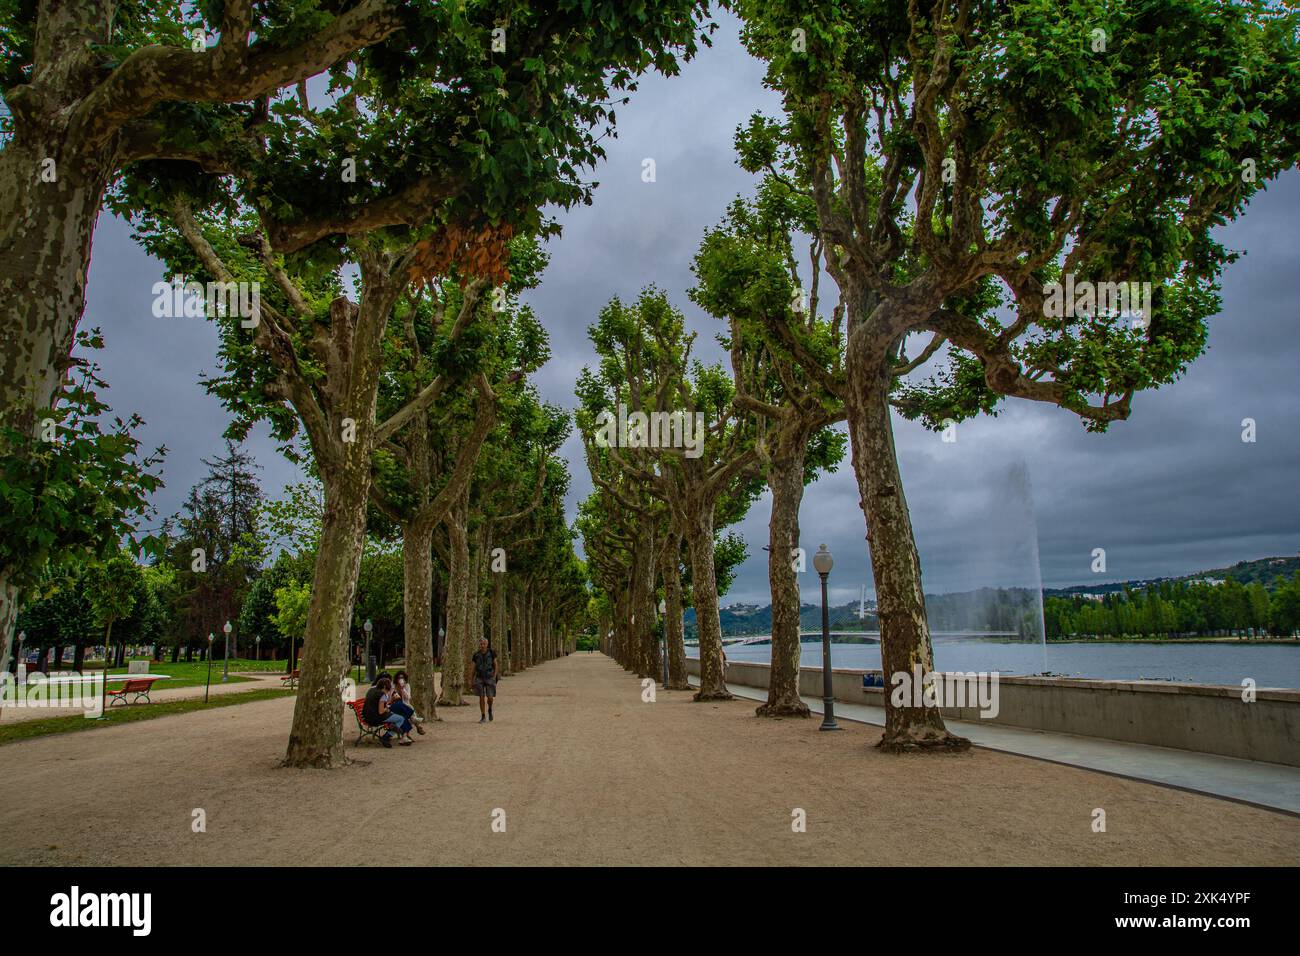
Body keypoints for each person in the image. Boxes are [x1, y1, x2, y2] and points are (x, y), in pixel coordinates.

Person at [362, 676, 412, 747]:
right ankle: (386, 737)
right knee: (401, 719)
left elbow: (378, 704)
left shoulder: (371, 690)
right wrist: (387, 707)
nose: (388, 692)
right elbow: (381, 711)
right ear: (385, 687)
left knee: (394, 715)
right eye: (388, 690)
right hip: (376, 718)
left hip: (367, 716)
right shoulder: (382, 695)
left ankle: (392, 727)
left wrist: (390, 701)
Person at [471, 637, 498, 724]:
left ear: (487, 644)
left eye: (484, 644)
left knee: (490, 698)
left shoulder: (492, 653)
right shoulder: (476, 655)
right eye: (481, 644)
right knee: (481, 697)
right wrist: (471, 680)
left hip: (489, 677)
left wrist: (494, 676)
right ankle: (483, 716)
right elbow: (473, 668)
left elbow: (496, 665)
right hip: (479, 678)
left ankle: (489, 709)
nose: (482, 646)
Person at [391, 670, 426, 735]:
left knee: (409, 708)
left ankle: (413, 728)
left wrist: (402, 689)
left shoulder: (407, 685)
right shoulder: (393, 685)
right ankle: (417, 725)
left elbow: (408, 697)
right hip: (395, 705)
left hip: (405, 704)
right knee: (407, 711)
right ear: (396, 678)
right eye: (399, 678)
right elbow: (390, 696)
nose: (400, 679)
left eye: (402, 678)